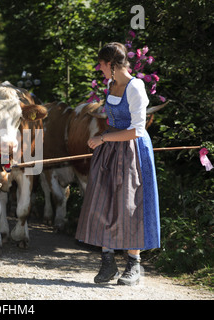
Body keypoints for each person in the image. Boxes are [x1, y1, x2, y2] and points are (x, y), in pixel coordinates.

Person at [75, 42, 160, 286]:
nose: (99, 68)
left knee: (130, 205)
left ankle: (133, 264)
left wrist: (102, 138)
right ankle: (108, 262)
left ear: (112, 65)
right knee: (104, 203)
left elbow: (137, 131)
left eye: (101, 64)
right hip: (110, 151)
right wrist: (104, 141)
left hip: (132, 152)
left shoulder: (136, 88)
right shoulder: (111, 85)